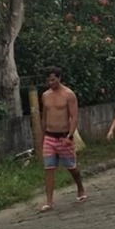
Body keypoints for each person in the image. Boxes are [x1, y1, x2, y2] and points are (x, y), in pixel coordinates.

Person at [39, 66, 86, 211]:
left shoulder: (68, 94)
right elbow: (44, 117)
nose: (51, 83)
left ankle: (80, 187)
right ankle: (49, 201)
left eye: (53, 79)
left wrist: (70, 135)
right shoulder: (45, 95)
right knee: (49, 168)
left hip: (64, 136)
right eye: (48, 80)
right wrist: (42, 137)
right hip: (49, 136)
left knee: (71, 167)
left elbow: (74, 116)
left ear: (59, 78)